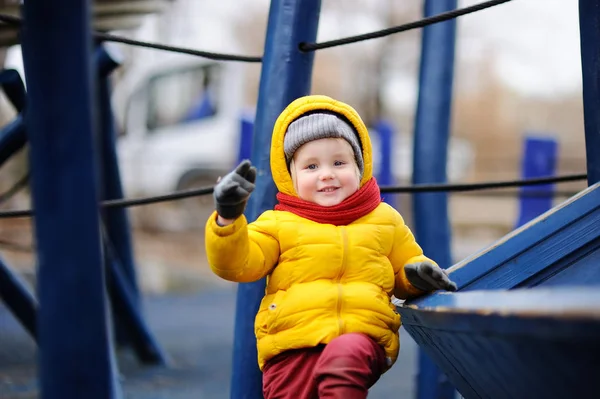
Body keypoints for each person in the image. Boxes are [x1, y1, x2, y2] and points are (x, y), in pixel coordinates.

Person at [204, 95, 457, 399]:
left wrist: (416, 277)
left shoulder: (384, 220)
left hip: (360, 337)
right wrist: (227, 219)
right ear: (291, 176)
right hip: (291, 346)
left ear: (359, 166)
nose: (327, 174)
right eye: (311, 166)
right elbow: (239, 263)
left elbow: (405, 270)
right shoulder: (278, 224)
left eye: (339, 162)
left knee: (344, 361)